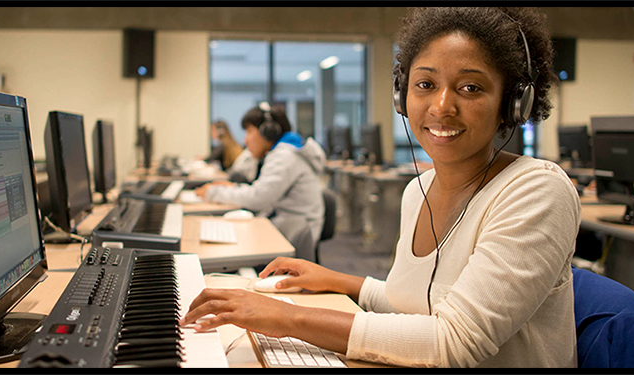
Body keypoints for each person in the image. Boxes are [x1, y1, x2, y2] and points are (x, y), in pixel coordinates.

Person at [182, 7, 580, 368]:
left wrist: (286, 318)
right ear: (402, 97)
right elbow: (417, 304)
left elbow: (453, 341)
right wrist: (340, 281)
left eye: (470, 88)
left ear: (513, 104)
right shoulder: (418, 191)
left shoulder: (536, 192)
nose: (441, 106)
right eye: (425, 84)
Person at [195, 103, 326, 258]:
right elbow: (260, 190)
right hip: (282, 224)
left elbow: (258, 198)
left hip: (292, 234)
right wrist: (233, 188)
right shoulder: (281, 152)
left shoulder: (285, 156)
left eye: (249, 131)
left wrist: (213, 192)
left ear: (268, 132)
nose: (246, 140)